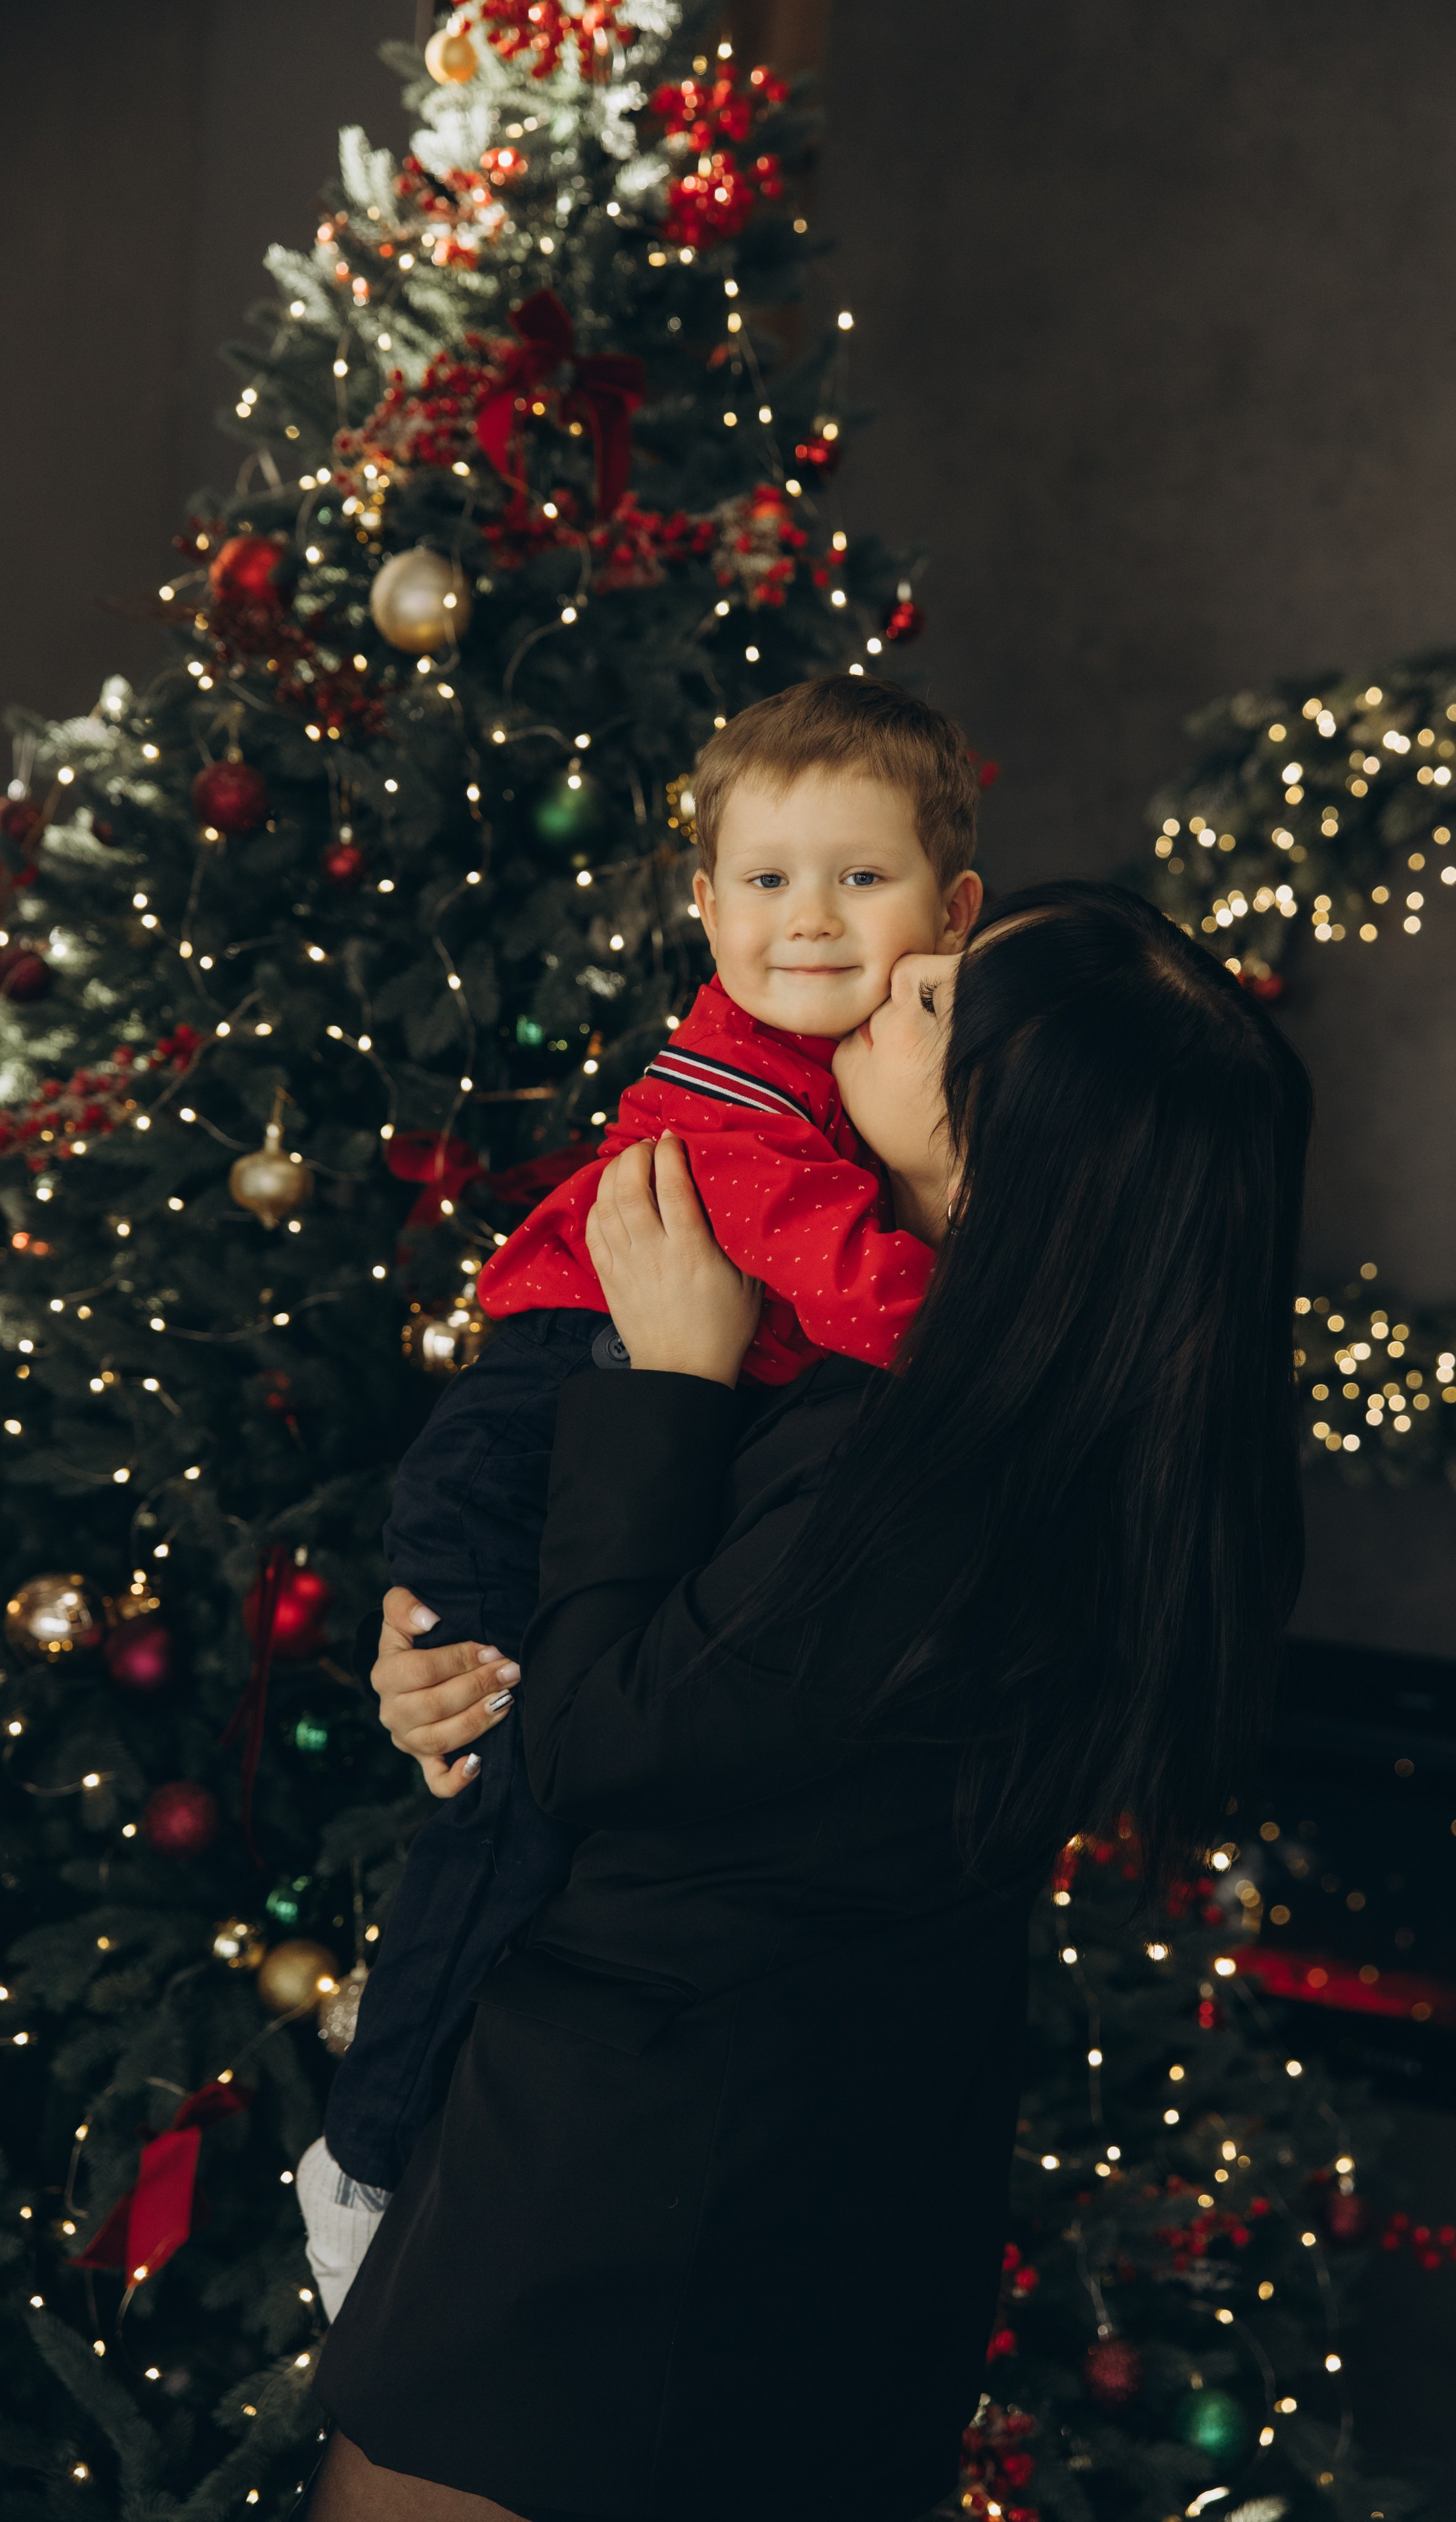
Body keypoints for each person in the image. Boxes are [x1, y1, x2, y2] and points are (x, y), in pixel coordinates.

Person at [305, 881, 1313, 2522]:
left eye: (931, 1002)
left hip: (643, 2175)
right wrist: (450, 1665)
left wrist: (670, 1382)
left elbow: (596, 1746)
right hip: (810, 2168)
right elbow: (655, 1692)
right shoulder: (1006, 1401)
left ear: (1009, 1162)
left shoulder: (943, 1477)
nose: (881, 971)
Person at [300, 677, 984, 2267]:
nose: (806, 922)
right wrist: (987, 1335)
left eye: (858, 879)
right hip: (537, 1426)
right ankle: (367, 2166)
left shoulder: (894, 1079)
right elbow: (836, 1276)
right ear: (700, 905)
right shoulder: (734, 1092)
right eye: (762, 880)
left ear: (952, 909)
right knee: (501, 1814)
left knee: (531, 1811)